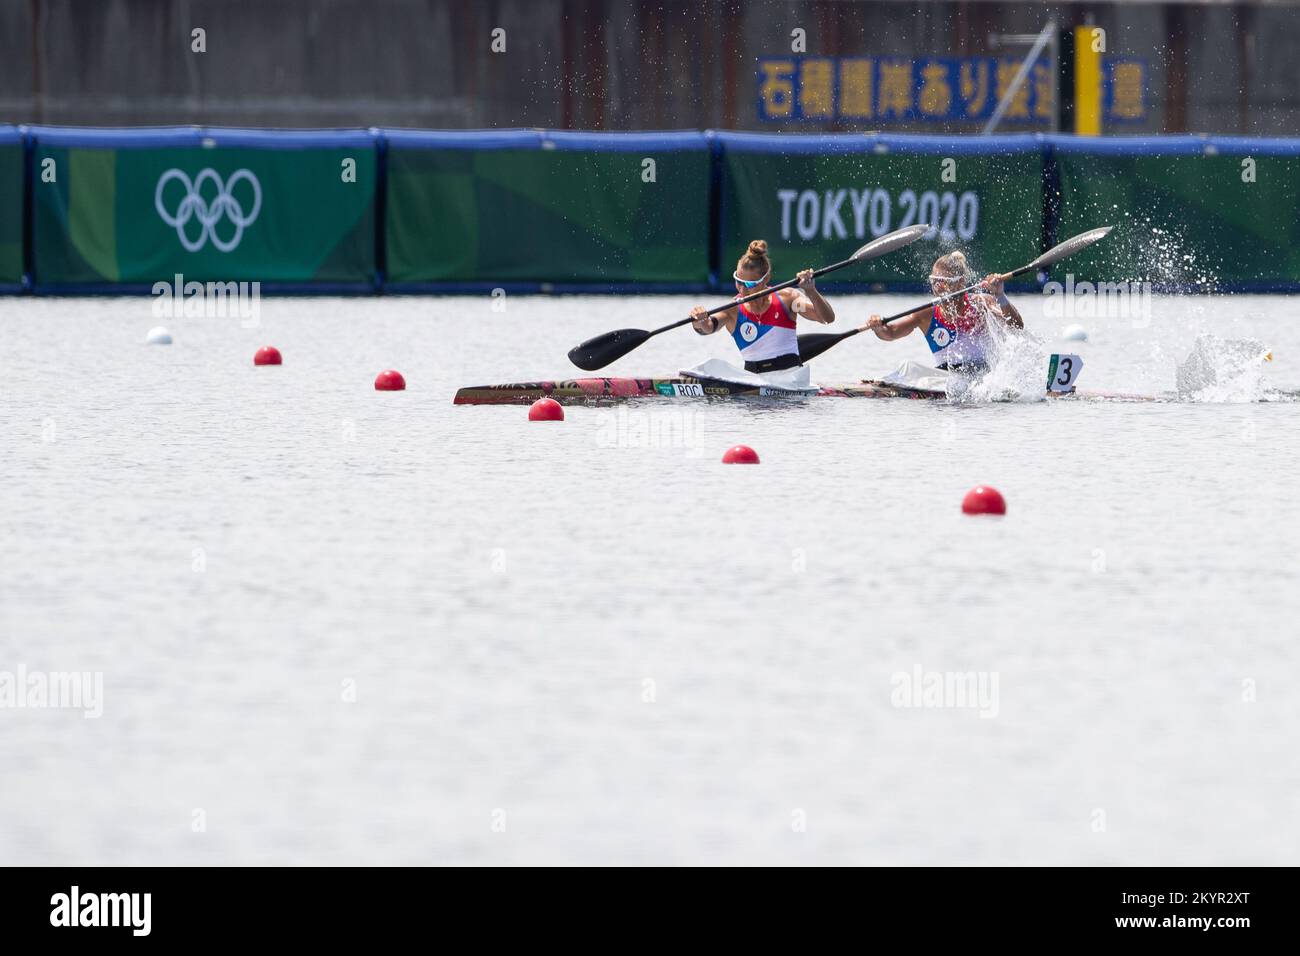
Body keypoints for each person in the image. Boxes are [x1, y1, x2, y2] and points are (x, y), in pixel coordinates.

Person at [860, 250, 1023, 374]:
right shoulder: (926, 314)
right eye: (934, 281)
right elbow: (891, 332)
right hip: (946, 377)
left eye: (943, 282)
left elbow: (1016, 326)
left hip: (983, 376)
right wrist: (879, 327)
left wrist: (1000, 295)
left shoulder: (981, 304)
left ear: (960, 283)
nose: (937, 287)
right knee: (908, 367)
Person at [689, 239, 835, 376]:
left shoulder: (788, 300)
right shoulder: (733, 309)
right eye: (738, 282)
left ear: (766, 279)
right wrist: (699, 320)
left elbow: (826, 318)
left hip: (791, 378)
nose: (742, 289)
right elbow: (708, 327)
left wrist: (811, 291)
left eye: (749, 284)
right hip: (754, 382)